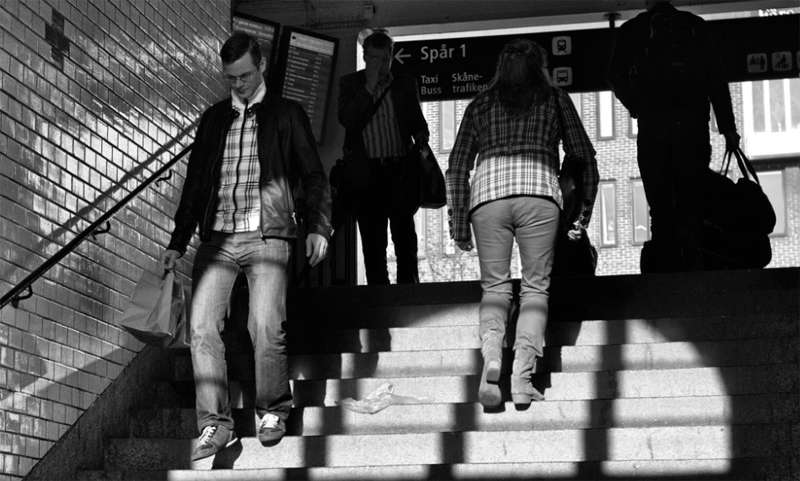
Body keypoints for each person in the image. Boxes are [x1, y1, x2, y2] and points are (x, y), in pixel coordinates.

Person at [161, 31, 332, 461]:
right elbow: (196, 183)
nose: (237, 84)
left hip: (268, 234)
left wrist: (319, 227)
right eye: (230, 78)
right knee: (201, 327)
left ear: (260, 68)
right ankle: (214, 424)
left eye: (244, 76)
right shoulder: (213, 120)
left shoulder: (287, 114)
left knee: (265, 323)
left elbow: (313, 175)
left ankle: (272, 409)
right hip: (218, 238)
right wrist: (178, 241)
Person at [446, 39, 598, 408]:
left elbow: (457, 165)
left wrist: (459, 223)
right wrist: (581, 214)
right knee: (535, 289)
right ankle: (522, 378)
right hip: (538, 197)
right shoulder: (555, 99)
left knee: (495, 289)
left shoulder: (480, 104)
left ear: (501, 68)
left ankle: (493, 356)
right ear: (539, 68)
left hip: (488, 201)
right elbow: (584, 156)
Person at [608, 0, 739, 272]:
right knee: (692, 205)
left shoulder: (632, 31)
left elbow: (615, 76)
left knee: (661, 207)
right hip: (692, 132)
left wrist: (637, 105)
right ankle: (694, 272)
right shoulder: (695, 27)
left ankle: (666, 278)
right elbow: (716, 81)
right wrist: (728, 129)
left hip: (653, 131)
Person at [338, 31, 430, 285]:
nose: (380, 64)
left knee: (405, 238)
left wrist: (421, 140)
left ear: (391, 57)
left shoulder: (403, 83)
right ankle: (379, 297)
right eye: (375, 58)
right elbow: (347, 119)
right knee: (372, 241)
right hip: (366, 174)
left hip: (399, 170)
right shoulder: (350, 84)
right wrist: (368, 86)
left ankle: (409, 293)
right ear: (365, 57)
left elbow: (418, 124)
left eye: (385, 58)